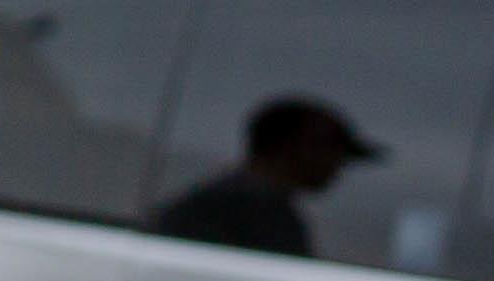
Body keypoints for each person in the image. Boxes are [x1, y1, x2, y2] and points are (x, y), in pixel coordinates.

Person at [152, 94, 377, 254]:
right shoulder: (255, 210)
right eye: (333, 152)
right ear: (294, 148)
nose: (338, 167)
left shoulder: (227, 200)